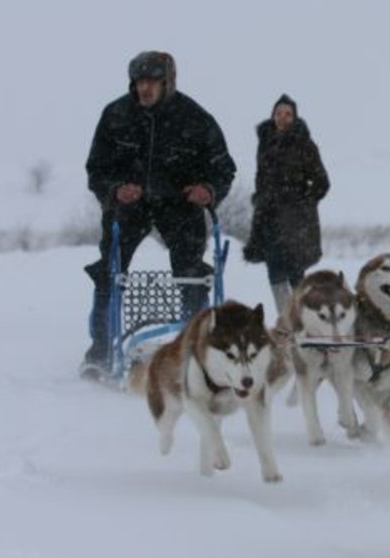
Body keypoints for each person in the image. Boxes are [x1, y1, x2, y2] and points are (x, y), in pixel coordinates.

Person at [81, 51, 237, 377]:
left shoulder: (195, 119)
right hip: (128, 206)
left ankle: (197, 350)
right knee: (108, 273)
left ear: (168, 83)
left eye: (152, 82)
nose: (145, 89)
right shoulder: (115, 115)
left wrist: (208, 191)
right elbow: (96, 169)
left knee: (193, 275)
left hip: (179, 206)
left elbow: (224, 168)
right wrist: (114, 191)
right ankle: (99, 353)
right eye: (139, 82)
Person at [243, 93, 330, 314]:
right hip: (269, 217)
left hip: (295, 221)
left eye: (288, 114)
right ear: (272, 116)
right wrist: (260, 197)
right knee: (274, 271)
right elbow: (261, 177)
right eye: (278, 113)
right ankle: (286, 322)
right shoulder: (265, 142)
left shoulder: (305, 144)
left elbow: (322, 182)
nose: (282, 117)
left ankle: (304, 320)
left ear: (294, 118)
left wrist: (303, 203)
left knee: (295, 271)